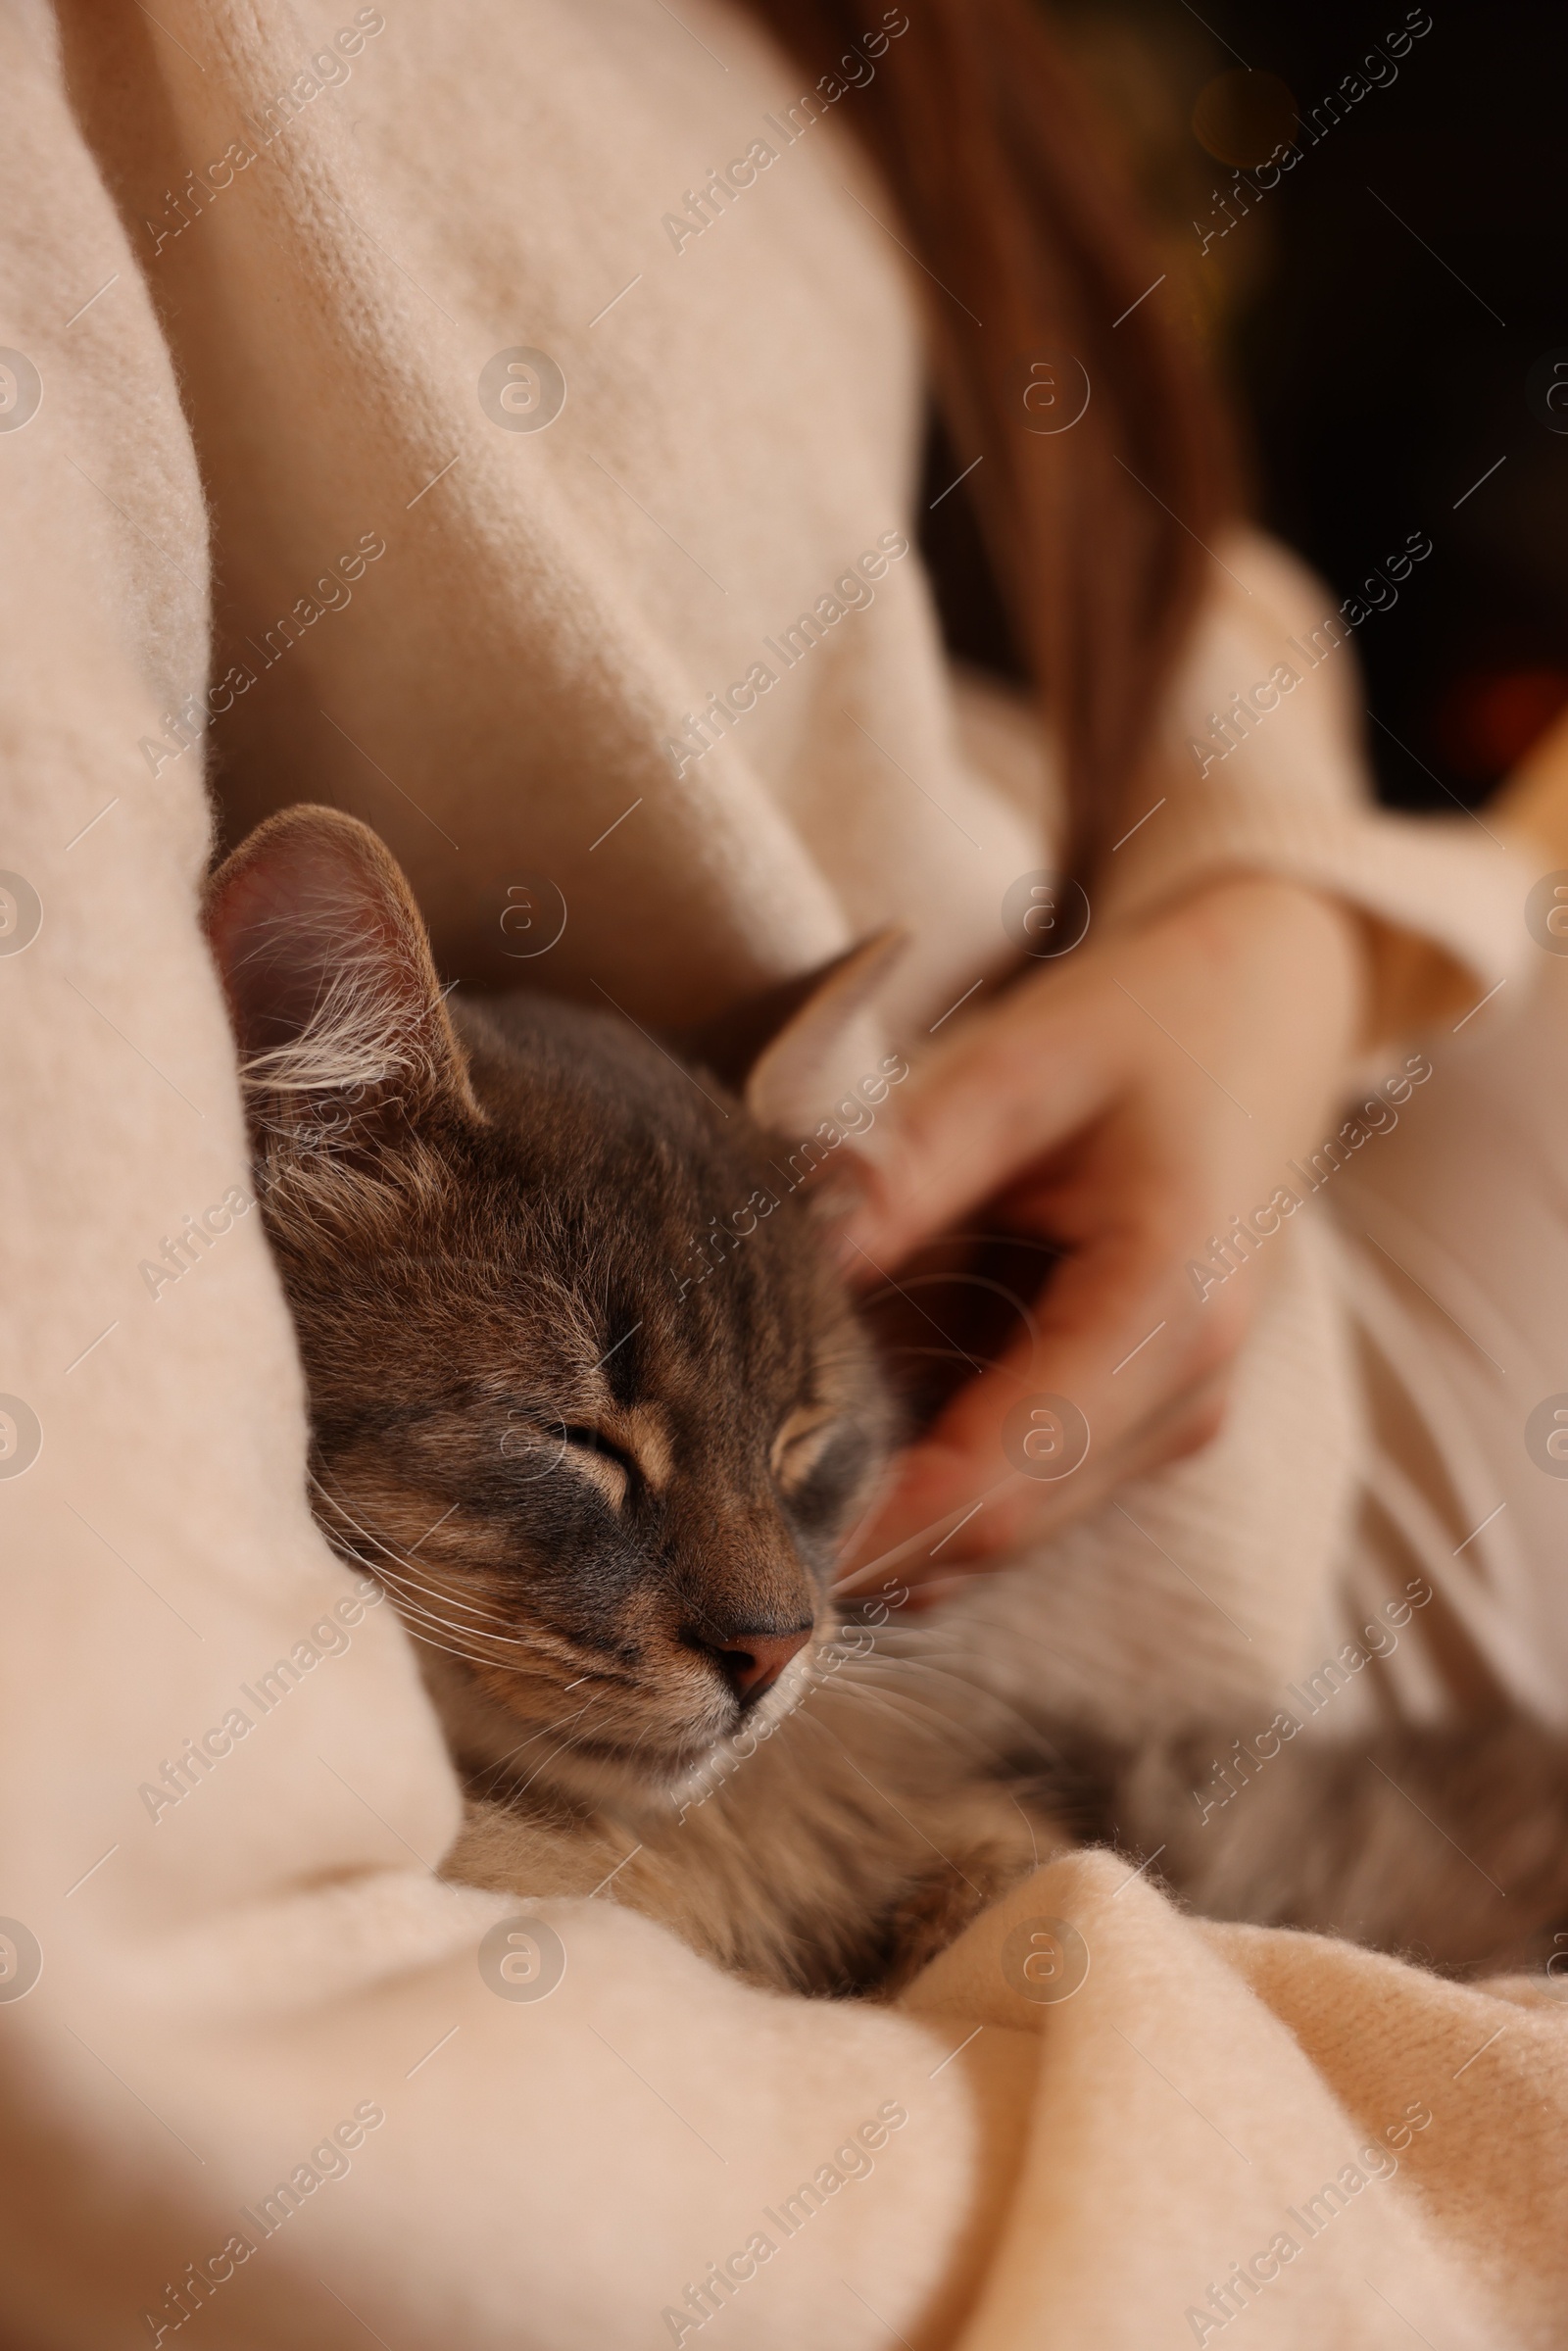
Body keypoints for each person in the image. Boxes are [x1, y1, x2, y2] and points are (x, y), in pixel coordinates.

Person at [8, 3, 1568, 2344]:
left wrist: (1279, 932)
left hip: (1337, 1195)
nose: (760, 1624)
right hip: (1263, 1709)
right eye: (586, 1466)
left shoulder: (919, 46)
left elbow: (1170, 570)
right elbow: (139, 2072)